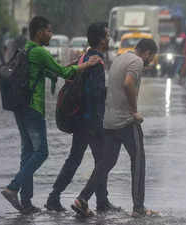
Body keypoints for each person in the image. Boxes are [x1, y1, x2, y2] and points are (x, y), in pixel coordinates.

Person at [0, 16, 101, 215]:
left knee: (28, 153)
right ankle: (13, 188)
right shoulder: (39, 51)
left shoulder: (27, 50)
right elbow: (63, 72)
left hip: (19, 107)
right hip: (33, 108)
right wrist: (86, 65)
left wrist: (75, 63)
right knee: (41, 153)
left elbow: (49, 72)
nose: (51, 34)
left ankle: (26, 202)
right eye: (48, 30)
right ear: (39, 32)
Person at [71, 39, 158, 217]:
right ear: (147, 53)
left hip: (109, 120)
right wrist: (134, 111)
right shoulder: (137, 62)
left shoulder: (120, 58)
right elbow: (128, 84)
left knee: (106, 163)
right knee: (138, 161)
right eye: (152, 56)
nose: (150, 60)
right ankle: (138, 208)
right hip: (126, 121)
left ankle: (82, 199)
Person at [44, 22, 118, 213]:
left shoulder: (85, 56)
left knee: (77, 159)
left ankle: (55, 198)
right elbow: (95, 94)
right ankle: (99, 201)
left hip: (80, 119)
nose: (109, 38)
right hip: (91, 121)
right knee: (103, 161)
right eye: (107, 35)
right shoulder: (96, 61)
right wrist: (110, 96)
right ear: (101, 40)